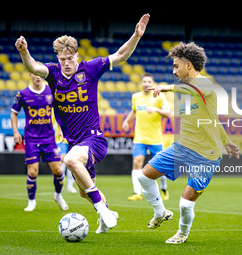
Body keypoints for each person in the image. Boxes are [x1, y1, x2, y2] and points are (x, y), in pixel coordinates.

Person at [15, 13, 150, 231]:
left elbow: (121, 54)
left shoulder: (91, 68)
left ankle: (102, 210)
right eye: (62, 60)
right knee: (83, 190)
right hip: (74, 142)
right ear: (58, 59)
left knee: (69, 161)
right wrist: (24, 52)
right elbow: (33, 67)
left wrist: (136, 36)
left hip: (93, 138)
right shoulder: (53, 73)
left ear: (77, 56)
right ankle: (107, 213)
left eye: (70, 59)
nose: (66, 63)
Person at [137, 42, 240, 244]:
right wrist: (227, 142)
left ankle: (182, 233)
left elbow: (196, 91)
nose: (173, 71)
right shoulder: (186, 91)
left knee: (185, 204)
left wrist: (167, 88)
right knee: (144, 177)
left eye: (176, 66)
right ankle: (160, 212)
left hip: (206, 155)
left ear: (189, 66)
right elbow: (212, 119)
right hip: (182, 148)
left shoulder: (205, 85)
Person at [11, 71, 69, 212]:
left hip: (49, 138)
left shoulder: (50, 90)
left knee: (58, 170)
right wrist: (15, 132)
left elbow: (59, 110)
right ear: (30, 75)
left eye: (40, 74)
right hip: (31, 139)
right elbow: (14, 113)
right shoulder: (23, 94)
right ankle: (31, 202)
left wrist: (61, 129)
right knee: (33, 172)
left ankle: (58, 195)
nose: (37, 77)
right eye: (34, 74)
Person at [122, 73, 171, 201]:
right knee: (137, 162)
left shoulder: (159, 96)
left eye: (149, 82)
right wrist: (127, 121)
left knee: (160, 166)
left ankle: (164, 188)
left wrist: (156, 110)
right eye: (145, 82)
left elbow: (168, 113)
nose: (147, 84)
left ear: (153, 83)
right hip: (139, 137)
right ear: (142, 83)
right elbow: (134, 111)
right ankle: (137, 193)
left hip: (155, 138)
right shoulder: (136, 97)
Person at [52, 110, 77, 193]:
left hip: (71, 139)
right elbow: (60, 119)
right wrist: (60, 130)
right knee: (61, 160)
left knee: (72, 161)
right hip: (60, 139)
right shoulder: (59, 107)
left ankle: (70, 185)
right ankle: (60, 183)